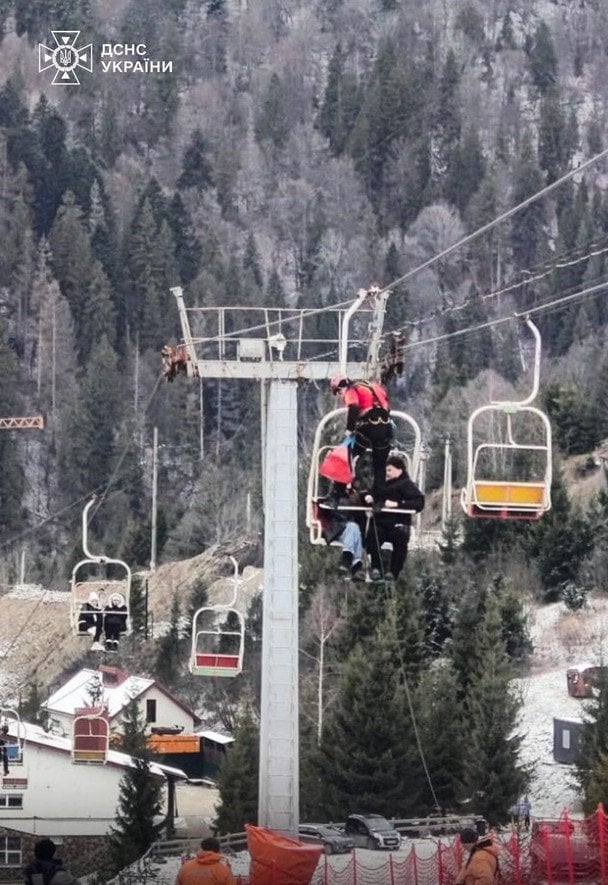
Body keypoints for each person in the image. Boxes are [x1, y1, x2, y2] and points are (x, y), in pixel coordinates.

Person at [364, 454, 425, 583]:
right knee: (374, 534)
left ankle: (393, 571)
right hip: (381, 523)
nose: (387, 473)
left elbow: (419, 503)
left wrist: (397, 504)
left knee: (400, 538)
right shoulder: (381, 484)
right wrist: (368, 497)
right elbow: (371, 492)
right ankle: (376, 567)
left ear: (399, 470)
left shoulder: (406, 485)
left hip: (398, 523)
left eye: (390, 470)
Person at [329, 375, 393, 493]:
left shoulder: (351, 391)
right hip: (385, 428)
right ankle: (379, 496)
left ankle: (339, 491)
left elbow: (353, 407)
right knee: (380, 465)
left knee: (344, 454)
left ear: (341, 388)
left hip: (368, 428)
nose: (340, 396)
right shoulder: (373, 388)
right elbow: (386, 406)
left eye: (339, 392)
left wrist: (349, 429)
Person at [318, 493, 365, 582]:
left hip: (352, 533)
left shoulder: (357, 497)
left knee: (355, 530)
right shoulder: (334, 496)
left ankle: (350, 563)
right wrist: (333, 503)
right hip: (337, 530)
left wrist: (357, 501)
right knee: (353, 527)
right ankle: (355, 565)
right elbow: (327, 512)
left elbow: (361, 516)